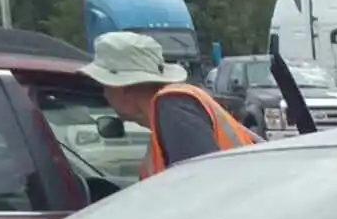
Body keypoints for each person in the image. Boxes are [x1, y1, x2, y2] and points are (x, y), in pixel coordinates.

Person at [81, 31, 258, 178]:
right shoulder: (173, 111)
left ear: (123, 88)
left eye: (105, 86)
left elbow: (201, 188)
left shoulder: (173, 107)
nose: (104, 94)